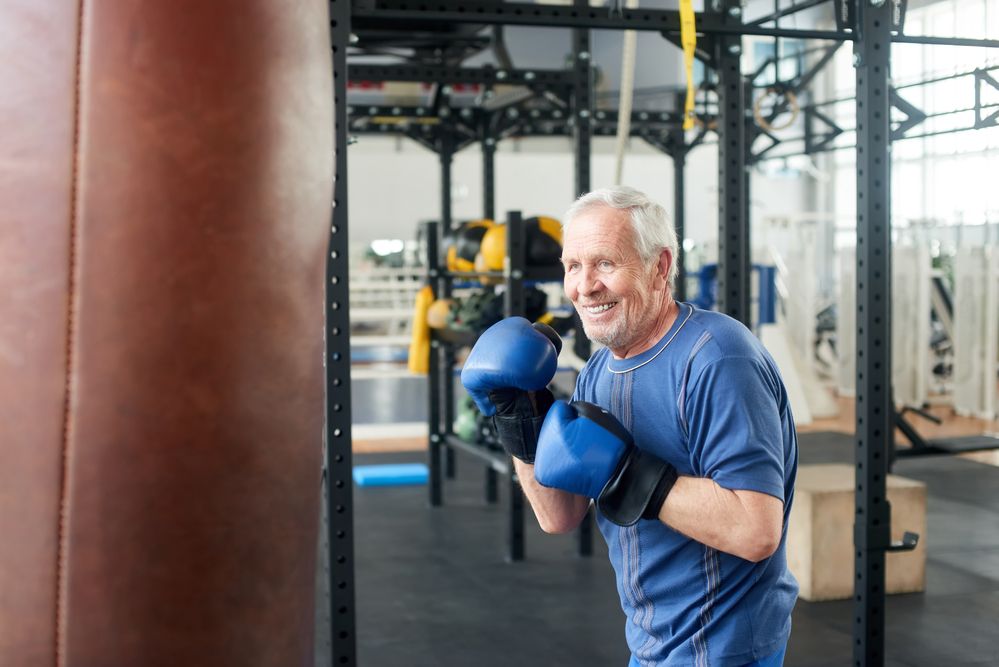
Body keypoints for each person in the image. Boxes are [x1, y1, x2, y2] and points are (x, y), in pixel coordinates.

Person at [462, 186, 798, 667]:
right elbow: (558, 515)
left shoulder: (718, 358)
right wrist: (516, 415)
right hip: (652, 644)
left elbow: (755, 530)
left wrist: (627, 474)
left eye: (604, 263)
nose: (584, 286)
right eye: (572, 266)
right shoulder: (599, 372)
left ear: (660, 267)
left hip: (724, 650)